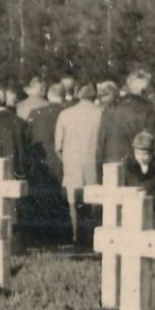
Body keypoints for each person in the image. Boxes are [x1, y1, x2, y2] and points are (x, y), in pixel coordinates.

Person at [55, 82, 103, 246]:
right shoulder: (102, 113)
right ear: (95, 94)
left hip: (72, 164)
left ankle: (78, 237)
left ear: (77, 93)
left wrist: (67, 160)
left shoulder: (65, 114)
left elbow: (58, 147)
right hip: (94, 164)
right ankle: (93, 237)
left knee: (74, 202)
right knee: (95, 201)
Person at [25, 82, 69, 244]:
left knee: (43, 201)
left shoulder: (35, 113)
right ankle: (62, 236)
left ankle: (43, 236)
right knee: (61, 201)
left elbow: (28, 138)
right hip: (62, 161)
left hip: (41, 162)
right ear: (64, 96)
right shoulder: (67, 112)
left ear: (48, 95)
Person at [96, 68, 155, 172]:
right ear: (144, 91)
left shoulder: (109, 111)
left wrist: (100, 176)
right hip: (137, 174)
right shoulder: (149, 113)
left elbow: (100, 150)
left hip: (111, 172)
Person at [122, 131, 155, 228]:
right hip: (132, 214)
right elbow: (122, 190)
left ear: (152, 153)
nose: (141, 158)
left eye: (145, 154)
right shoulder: (128, 168)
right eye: (138, 154)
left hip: (153, 215)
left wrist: (148, 197)